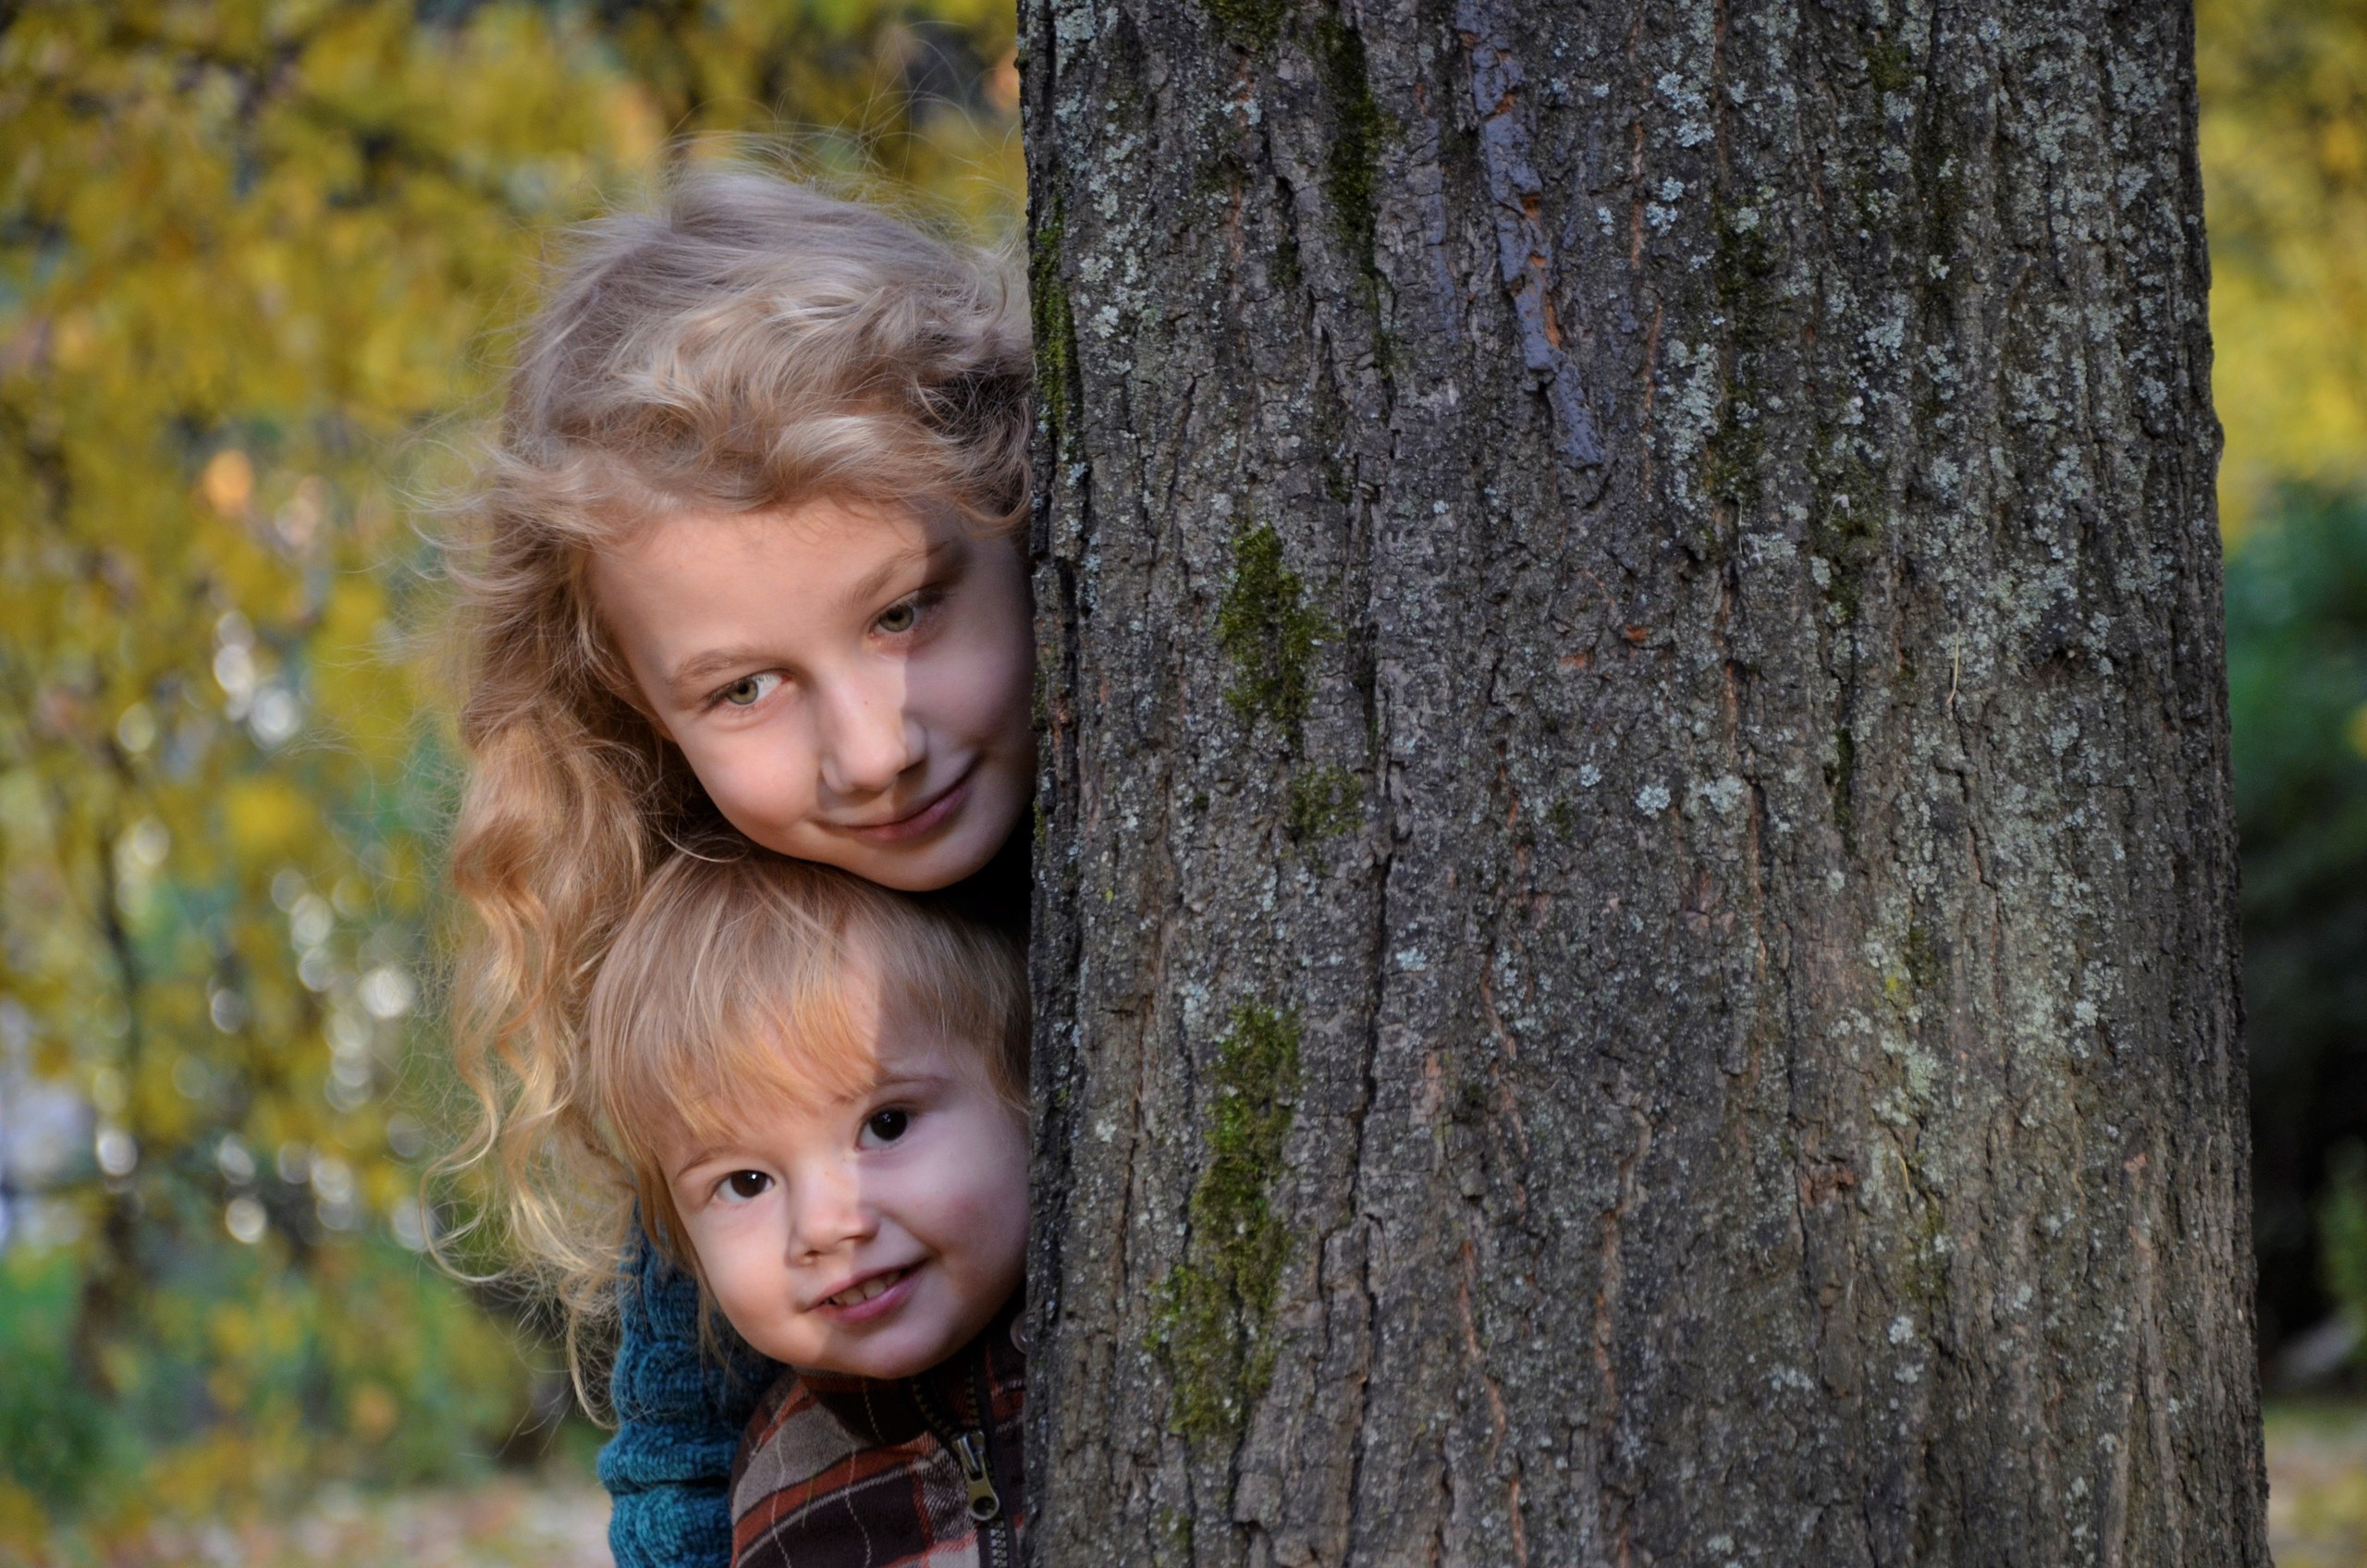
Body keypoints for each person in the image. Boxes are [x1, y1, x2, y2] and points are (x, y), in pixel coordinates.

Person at [438, 165, 1036, 1568]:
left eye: (902, 612)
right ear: (634, 703)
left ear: (1016, 506)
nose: (873, 750)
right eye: (745, 690)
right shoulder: (714, 993)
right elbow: (679, 1459)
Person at [583, 850, 1030, 1568]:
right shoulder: (762, 1504)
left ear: (1028, 1085)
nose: (827, 1225)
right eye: (748, 1182)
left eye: (885, 1125)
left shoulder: (1107, 1342)